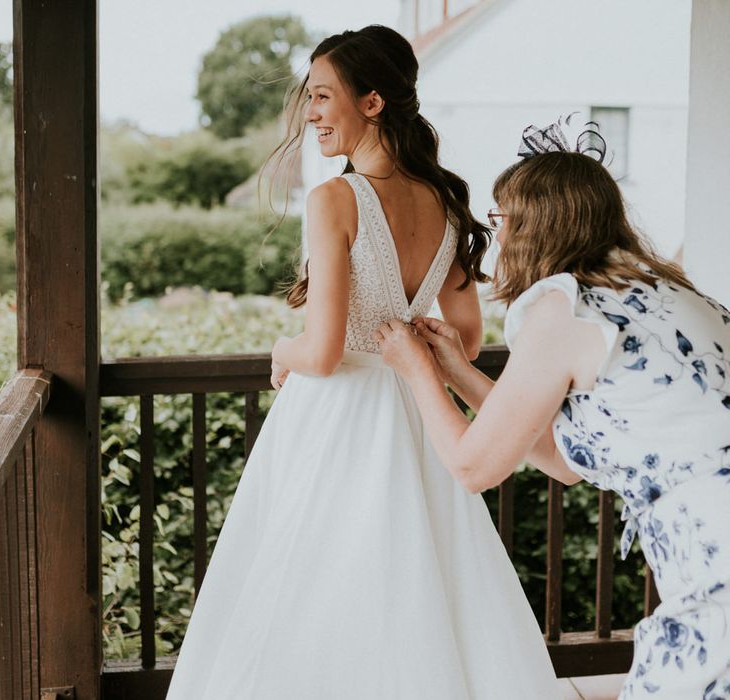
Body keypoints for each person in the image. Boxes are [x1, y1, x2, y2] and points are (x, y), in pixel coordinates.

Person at [166, 26, 558, 700]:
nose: (311, 113)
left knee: (309, 597)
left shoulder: (334, 199)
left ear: (371, 102)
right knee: (417, 590)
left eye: (322, 96)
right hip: (412, 413)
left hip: (334, 420)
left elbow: (319, 352)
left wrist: (280, 353)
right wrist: (410, 345)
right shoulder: (443, 200)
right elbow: (463, 334)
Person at [377, 123, 730, 700]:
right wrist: (455, 369)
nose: (498, 237)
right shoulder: (660, 291)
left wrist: (413, 369)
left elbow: (471, 468)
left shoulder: (563, 306)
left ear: (532, 225)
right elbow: (565, 461)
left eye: (500, 220)